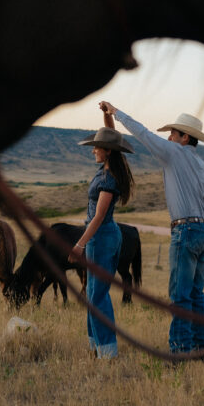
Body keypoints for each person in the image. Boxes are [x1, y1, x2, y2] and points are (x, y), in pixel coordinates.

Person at [99, 102, 204, 357]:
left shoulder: (174, 153)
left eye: (173, 133)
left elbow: (144, 135)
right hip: (203, 230)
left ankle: (181, 349)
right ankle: (201, 346)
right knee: (196, 293)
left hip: (184, 230)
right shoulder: (203, 167)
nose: (169, 137)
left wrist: (117, 113)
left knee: (180, 294)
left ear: (185, 138)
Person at [71, 122, 135, 359]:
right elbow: (113, 139)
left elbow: (98, 217)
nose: (93, 150)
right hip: (103, 235)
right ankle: (96, 347)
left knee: (98, 295)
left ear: (107, 151)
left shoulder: (109, 178)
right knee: (93, 292)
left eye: (97, 147)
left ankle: (107, 352)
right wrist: (108, 117)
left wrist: (79, 245)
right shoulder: (107, 170)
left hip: (102, 236)